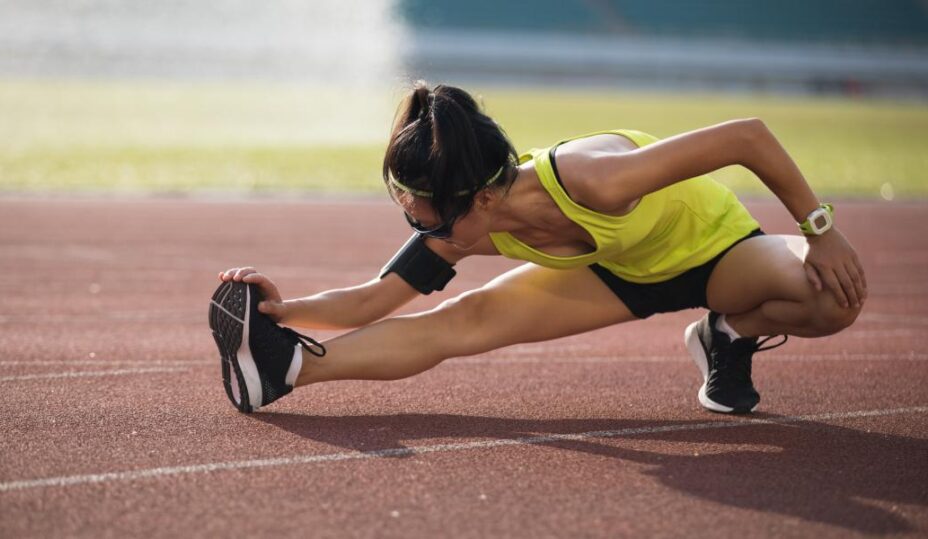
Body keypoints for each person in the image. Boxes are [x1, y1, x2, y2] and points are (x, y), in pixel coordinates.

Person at [208, 82, 867, 415]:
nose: (428, 237)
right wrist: (283, 312)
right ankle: (286, 372)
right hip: (618, 272)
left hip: (718, 255)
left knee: (830, 296)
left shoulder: (597, 178)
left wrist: (820, 228)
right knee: (458, 323)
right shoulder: (470, 223)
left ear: (482, 199)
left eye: (427, 221)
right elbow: (377, 298)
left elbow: (746, 137)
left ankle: (728, 333)